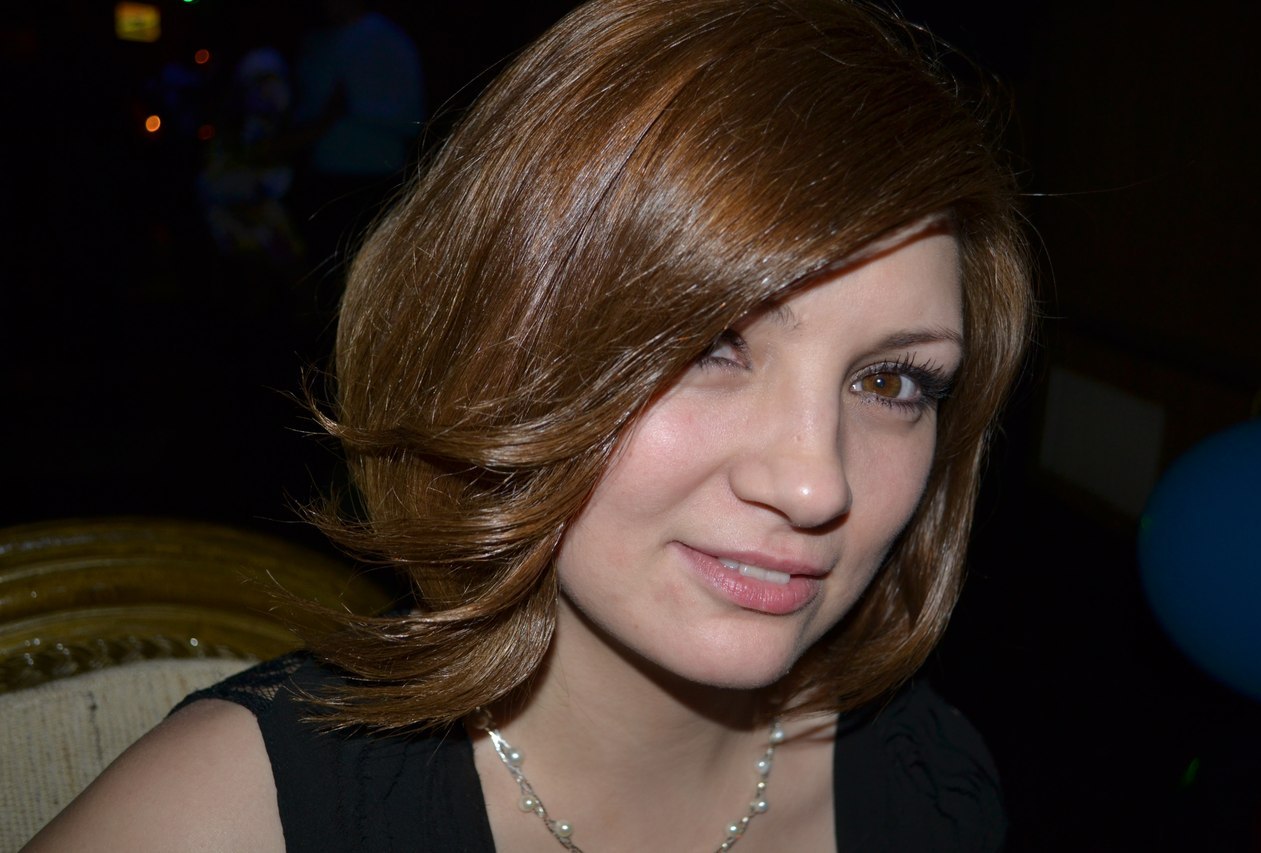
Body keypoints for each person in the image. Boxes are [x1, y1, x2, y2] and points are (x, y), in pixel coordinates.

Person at [24, 0, 1031, 850]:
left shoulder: (931, 779)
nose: (816, 483)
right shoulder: (225, 814)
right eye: (705, 345)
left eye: (892, 381)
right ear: (499, 351)